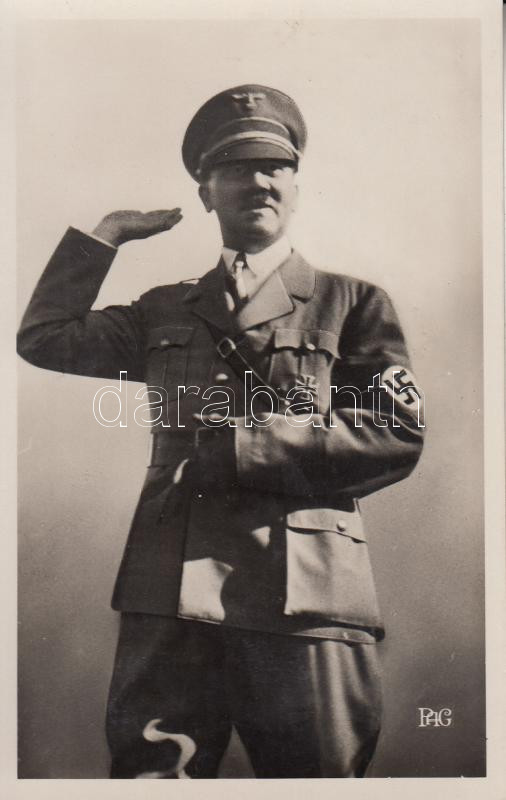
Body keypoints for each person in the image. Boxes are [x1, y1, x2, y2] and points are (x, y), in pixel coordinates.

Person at [17, 84, 424, 778]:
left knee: (317, 781)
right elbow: (45, 338)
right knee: (151, 781)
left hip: (305, 596)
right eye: (236, 168)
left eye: (275, 167)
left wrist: (244, 449)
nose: (258, 182)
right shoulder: (163, 310)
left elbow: (395, 432)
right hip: (170, 591)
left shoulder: (351, 303)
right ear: (206, 193)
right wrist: (105, 236)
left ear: (296, 187)